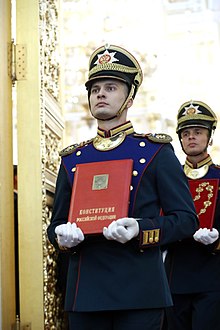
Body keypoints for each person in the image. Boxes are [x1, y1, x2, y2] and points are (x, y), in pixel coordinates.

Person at [47, 44, 198, 330]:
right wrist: (61, 237)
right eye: (95, 89)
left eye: (111, 87)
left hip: (140, 291)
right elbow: (55, 225)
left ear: (129, 97)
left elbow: (186, 220)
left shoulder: (155, 151)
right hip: (86, 292)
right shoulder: (73, 159)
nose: (100, 93)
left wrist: (142, 229)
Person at [164, 100, 220, 330]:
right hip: (176, 274)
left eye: (198, 132)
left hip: (213, 274)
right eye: (186, 133)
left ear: (210, 137)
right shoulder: (169, 178)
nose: (191, 138)